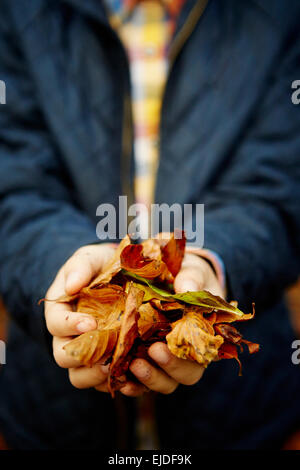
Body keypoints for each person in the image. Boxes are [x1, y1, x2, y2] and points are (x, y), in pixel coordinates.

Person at [0, 0, 300, 450]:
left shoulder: (281, 13)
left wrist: (207, 264)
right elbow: (15, 189)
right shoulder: (19, 12)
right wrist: (64, 272)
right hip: (55, 417)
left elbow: (279, 193)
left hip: (237, 415)